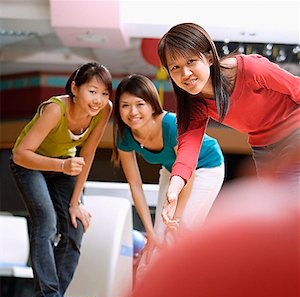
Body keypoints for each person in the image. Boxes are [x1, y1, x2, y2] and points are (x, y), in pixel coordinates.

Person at [157, 23, 300, 225]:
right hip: (263, 149)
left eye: (191, 61)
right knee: (273, 216)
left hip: (295, 134)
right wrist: (173, 189)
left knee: (291, 209)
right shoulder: (194, 104)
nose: (185, 73)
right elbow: (187, 152)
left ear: (208, 57)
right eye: (175, 67)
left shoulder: (250, 69)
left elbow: (297, 89)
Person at [10, 62, 113, 297]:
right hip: (31, 165)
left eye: (104, 93)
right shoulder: (55, 109)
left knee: (75, 226)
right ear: (75, 89)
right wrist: (62, 165)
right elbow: (20, 154)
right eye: (92, 91)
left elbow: (87, 156)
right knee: (46, 222)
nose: (98, 100)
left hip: (64, 169)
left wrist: (75, 202)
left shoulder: (103, 111)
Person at [113, 73, 225, 263]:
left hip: (204, 167)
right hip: (171, 170)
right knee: (157, 236)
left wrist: (178, 218)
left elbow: (188, 171)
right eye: (125, 105)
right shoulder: (124, 135)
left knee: (178, 231)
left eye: (140, 104)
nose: (133, 112)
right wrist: (149, 231)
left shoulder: (171, 125)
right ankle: (148, 288)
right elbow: (135, 184)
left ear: (152, 104)